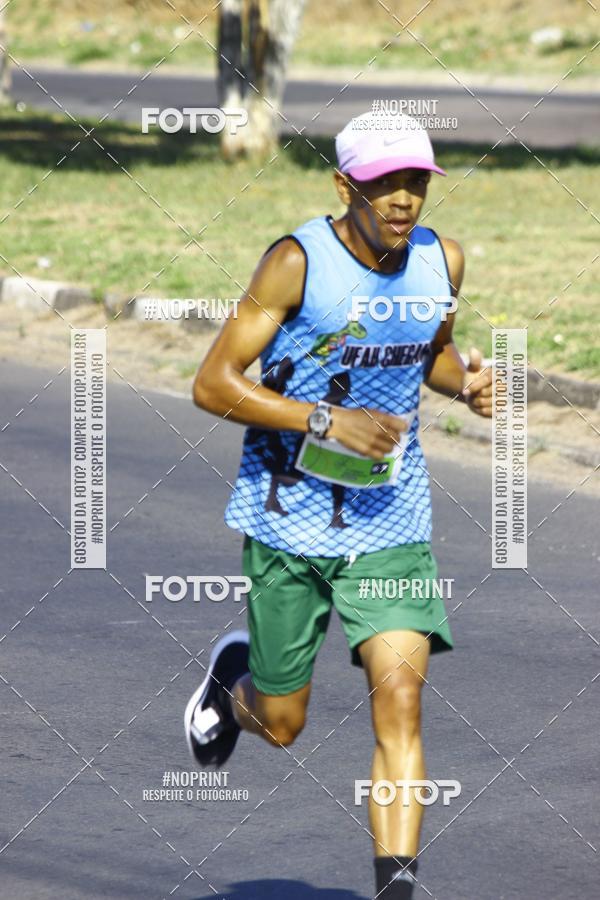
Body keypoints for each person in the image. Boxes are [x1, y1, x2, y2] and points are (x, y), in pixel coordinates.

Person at [184, 111, 493, 899]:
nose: (402, 200)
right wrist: (326, 419)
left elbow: (433, 356)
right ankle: (234, 680)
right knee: (282, 725)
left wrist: (471, 382)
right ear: (344, 185)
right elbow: (212, 384)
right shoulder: (296, 262)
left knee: (401, 700)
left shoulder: (441, 260)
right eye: (385, 182)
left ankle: (396, 889)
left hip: (391, 520)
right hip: (286, 518)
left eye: (416, 182)